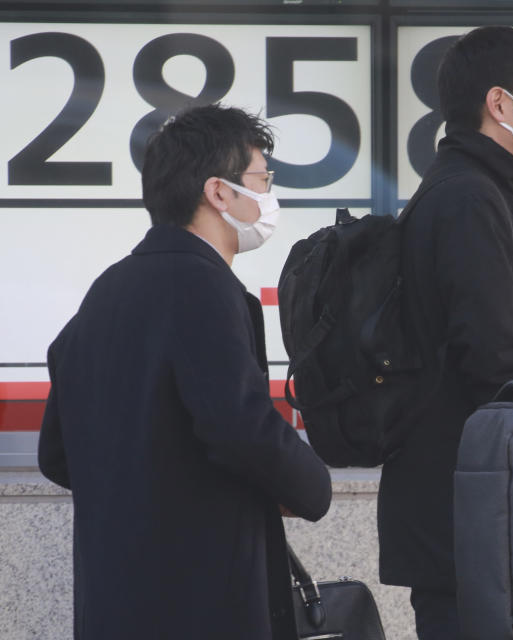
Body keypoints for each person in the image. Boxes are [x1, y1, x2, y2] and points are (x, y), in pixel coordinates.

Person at [38, 103, 332, 640]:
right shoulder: (203, 285)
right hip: (201, 602)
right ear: (219, 192)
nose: (268, 194)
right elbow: (239, 426)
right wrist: (314, 484)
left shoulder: (106, 292)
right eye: (262, 178)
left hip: (113, 602)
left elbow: (57, 452)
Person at [378, 26, 513, 639]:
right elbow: (492, 362)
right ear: (500, 103)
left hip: (453, 509)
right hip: (466, 517)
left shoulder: (462, 189)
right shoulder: (468, 199)